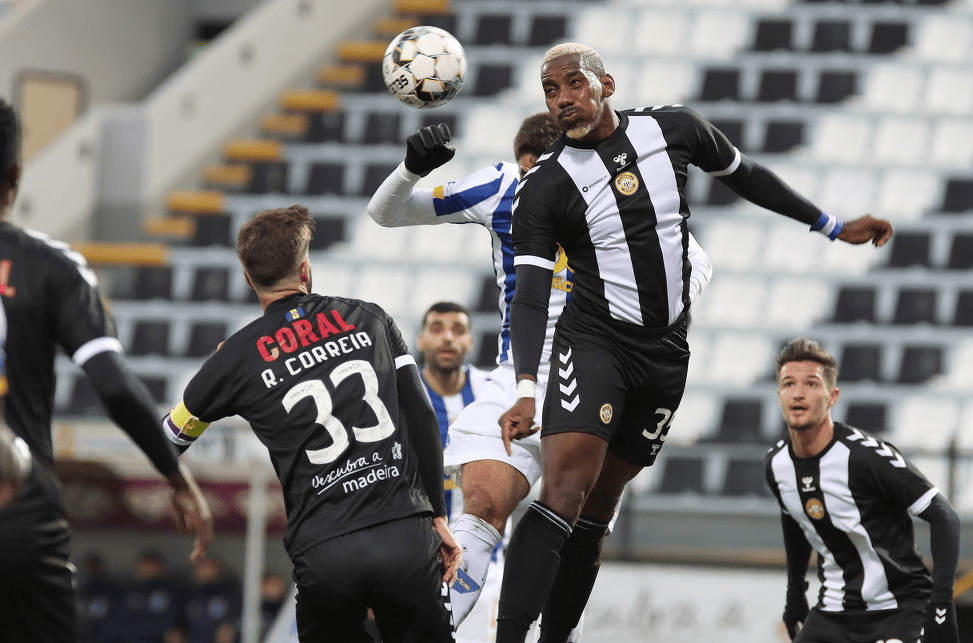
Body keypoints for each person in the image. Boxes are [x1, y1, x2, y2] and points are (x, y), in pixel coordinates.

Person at [496, 43, 895, 643]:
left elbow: (747, 176)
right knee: (565, 492)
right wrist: (527, 387)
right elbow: (528, 296)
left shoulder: (672, 129)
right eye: (550, 90)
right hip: (595, 342)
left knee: (601, 505)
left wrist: (832, 225)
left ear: (607, 83)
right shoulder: (544, 185)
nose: (562, 99)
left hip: (665, 354)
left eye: (573, 83)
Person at [367, 114, 713, 642]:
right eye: (530, 177)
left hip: (603, 377)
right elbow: (386, 212)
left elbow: (697, 262)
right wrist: (411, 169)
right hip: (520, 377)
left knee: (569, 530)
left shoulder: (622, 189)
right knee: (482, 504)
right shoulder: (499, 185)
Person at [161, 204, 461, 642]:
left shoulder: (234, 358)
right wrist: (437, 514)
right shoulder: (371, 318)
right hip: (403, 530)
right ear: (305, 269)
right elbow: (423, 418)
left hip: (324, 550)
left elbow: (167, 439)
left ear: (248, 278)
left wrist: (219, 376)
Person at [0, 96, 213, 643]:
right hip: (18, 513)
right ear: (15, 176)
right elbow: (114, 388)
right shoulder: (51, 267)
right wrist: (176, 476)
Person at [766, 338, 960, 643]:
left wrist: (941, 603)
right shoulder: (777, 465)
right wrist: (795, 594)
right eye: (788, 384)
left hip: (898, 609)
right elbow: (794, 518)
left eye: (811, 384)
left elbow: (944, 515)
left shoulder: (866, 457)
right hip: (833, 612)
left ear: (832, 397)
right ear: (779, 394)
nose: (798, 393)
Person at [416, 301, 500, 643]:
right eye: (437, 329)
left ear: (470, 342)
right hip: (417, 555)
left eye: (458, 330)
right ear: (421, 339)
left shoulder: (492, 393)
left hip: (483, 558)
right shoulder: (401, 393)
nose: (448, 338)